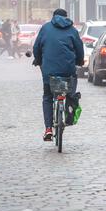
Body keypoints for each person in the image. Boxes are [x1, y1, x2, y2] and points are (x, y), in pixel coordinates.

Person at [32, 8, 84, 141]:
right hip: (67, 70)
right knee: (69, 91)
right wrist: (80, 60)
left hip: (49, 71)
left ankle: (48, 128)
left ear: (53, 16)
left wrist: (38, 60)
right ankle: (68, 112)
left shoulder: (45, 28)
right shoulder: (72, 30)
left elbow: (36, 47)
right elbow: (79, 47)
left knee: (48, 97)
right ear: (66, 17)